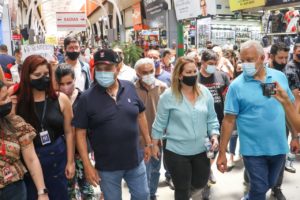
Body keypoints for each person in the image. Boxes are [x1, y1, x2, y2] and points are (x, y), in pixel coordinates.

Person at [216, 40, 299, 200]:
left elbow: (288, 110)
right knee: (260, 187)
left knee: (271, 182)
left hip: (278, 146)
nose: (245, 64)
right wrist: (222, 153)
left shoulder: (279, 77)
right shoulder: (236, 86)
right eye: (242, 60)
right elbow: (228, 120)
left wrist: (295, 136)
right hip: (252, 149)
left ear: (262, 58)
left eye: (250, 60)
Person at [72, 49, 152, 200]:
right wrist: (87, 164)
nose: (103, 73)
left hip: (135, 161)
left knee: (143, 195)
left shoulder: (129, 87)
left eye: (108, 68)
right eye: (99, 69)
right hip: (107, 167)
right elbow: (80, 133)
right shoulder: (86, 98)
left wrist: (148, 142)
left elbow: (141, 114)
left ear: (118, 68)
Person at [152, 56, 220, 200]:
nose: (193, 75)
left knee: (201, 182)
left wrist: (214, 135)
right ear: (180, 75)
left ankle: (188, 194)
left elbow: (211, 118)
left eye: (194, 71)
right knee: (181, 188)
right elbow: (160, 122)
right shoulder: (168, 96)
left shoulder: (204, 92)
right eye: (188, 72)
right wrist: (154, 144)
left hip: (201, 148)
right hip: (177, 150)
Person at [15, 55, 75, 200]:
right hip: (31, 161)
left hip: (58, 159)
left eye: (46, 74)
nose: (43, 78)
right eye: (37, 75)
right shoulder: (17, 103)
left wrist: (70, 161)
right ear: (26, 76)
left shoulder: (61, 99)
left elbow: (69, 132)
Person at [0, 80, 49, 200]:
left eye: (7, 96)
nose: (8, 101)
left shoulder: (16, 123)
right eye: (3, 99)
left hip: (14, 190)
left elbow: (31, 159)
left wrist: (42, 192)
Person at [55, 64, 94, 200]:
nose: (66, 87)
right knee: (69, 192)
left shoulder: (85, 99)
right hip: (63, 155)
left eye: (69, 83)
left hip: (84, 154)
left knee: (87, 190)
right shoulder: (54, 102)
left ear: (75, 80)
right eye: (61, 84)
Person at [134, 58, 167, 200]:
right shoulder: (131, 89)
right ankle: (145, 195)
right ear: (137, 73)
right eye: (144, 72)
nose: (148, 74)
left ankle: (152, 194)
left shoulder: (162, 87)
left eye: (151, 71)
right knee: (143, 171)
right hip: (140, 138)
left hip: (158, 137)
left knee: (155, 169)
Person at [199, 50, 230, 199]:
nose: (213, 67)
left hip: (218, 121)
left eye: (215, 64)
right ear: (202, 62)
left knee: (213, 151)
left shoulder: (222, 76)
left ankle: (207, 171)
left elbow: (227, 97)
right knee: (205, 153)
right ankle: (204, 182)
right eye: (210, 64)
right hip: (200, 123)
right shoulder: (196, 78)